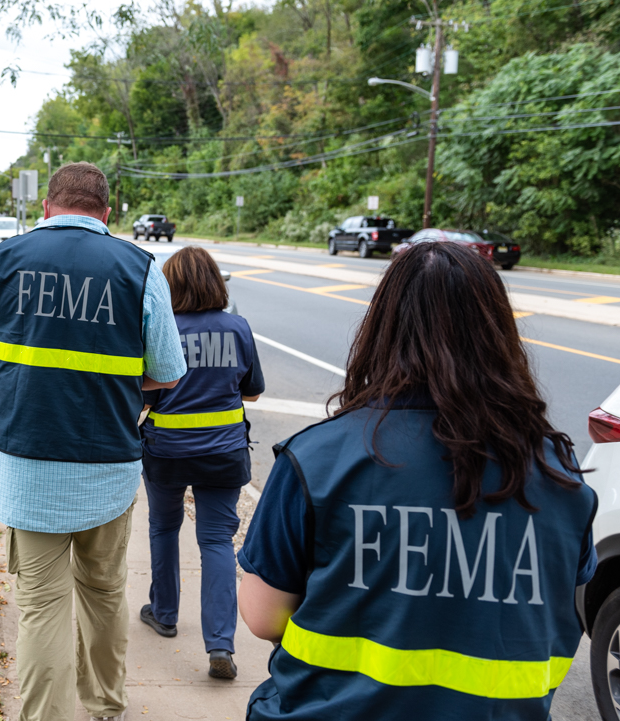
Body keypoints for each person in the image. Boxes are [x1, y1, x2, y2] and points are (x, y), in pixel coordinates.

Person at [237, 240, 597, 720]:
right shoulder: (559, 473)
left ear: (382, 328)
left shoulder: (319, 457)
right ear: (497, 335)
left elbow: (263, 618)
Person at [0, 162, 187, 721]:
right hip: (107, 462)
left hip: (27, 464)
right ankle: (105, 707)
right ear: (107, 214)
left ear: (46, 210)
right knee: (104, 595)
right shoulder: (140, 267)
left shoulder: (3, 261)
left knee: (40, 606)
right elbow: (168, 370)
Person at [138, 246, 265, 681]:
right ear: (216, 283)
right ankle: (220, 646)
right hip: (224, 454)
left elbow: (146, 395)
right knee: (215, 541)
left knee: (164, 527)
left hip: (167, 453)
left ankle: (164, 612)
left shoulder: (161, 328)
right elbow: (252, 392)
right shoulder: (238, 327)